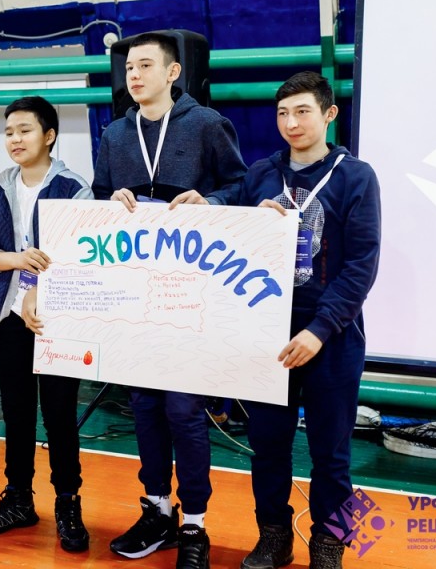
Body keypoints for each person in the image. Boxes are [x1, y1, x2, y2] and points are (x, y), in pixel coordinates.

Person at [180, 71, 381, 569]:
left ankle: (329, 545)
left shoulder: (356, 177)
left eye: (303, 112)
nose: (291, 123)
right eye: (283, 113)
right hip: (266, 332)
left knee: (331, 452)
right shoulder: (262, 174)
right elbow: (232, 232)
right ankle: (274, 536)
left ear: (329, 114)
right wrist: (216, 206)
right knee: (267, 446)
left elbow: (362, 264)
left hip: (331, 336)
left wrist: (320, 329)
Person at [92, 32, 247, 569]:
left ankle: (195, 524)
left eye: (144, 66)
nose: (134, 76)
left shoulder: (206, 124)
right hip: (136, 292)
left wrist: (212, 199)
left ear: (173, 72)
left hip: (192, 292)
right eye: (129, 68)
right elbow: (97, 200)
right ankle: (158, 509)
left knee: (183, 409)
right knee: (144, 405)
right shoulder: (114, 134)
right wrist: (109, 201)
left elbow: (242, 187)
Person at [0, 96, 94, 552]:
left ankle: (68, 502)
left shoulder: (75, 188)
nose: (15, 139)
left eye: (24, 130)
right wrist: (16, 259)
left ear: (49, 135)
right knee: (17, 414)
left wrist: (41, 286)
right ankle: (19, 497)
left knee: (60, 415)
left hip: (56, 319)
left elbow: (82, 256)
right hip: (10, 318)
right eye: (9, 132)